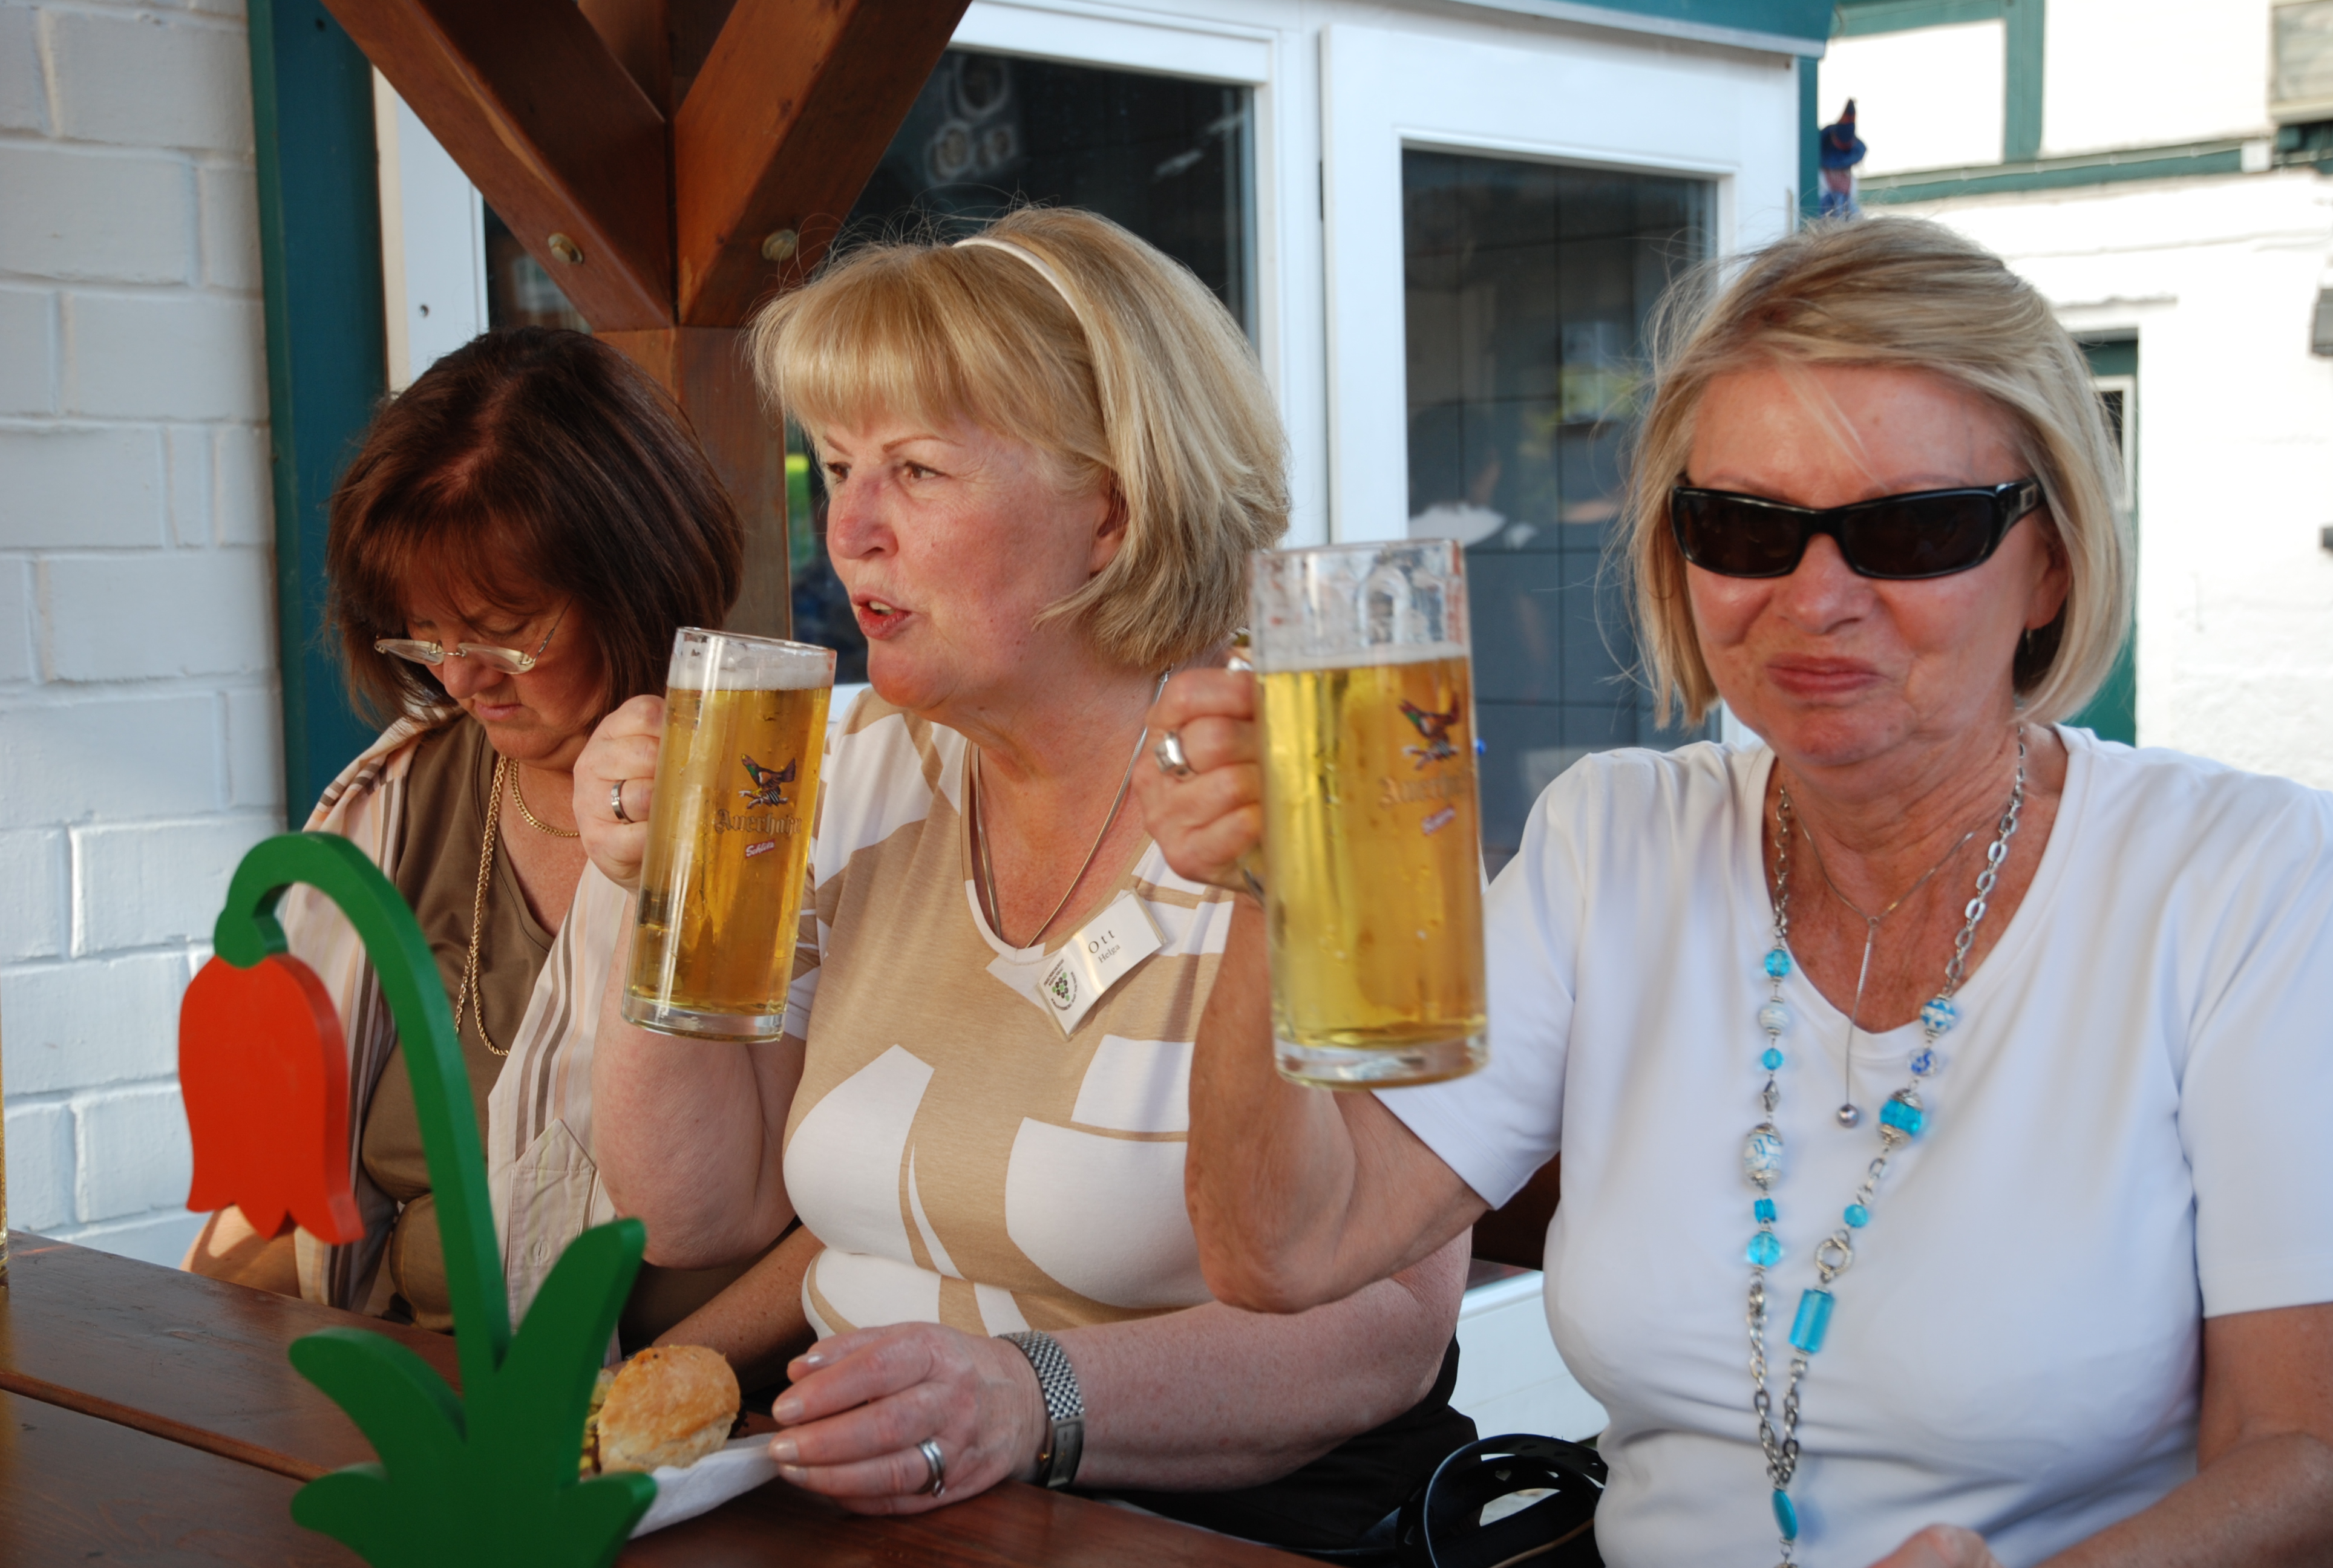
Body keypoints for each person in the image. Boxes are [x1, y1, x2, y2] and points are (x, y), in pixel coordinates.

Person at [1139, 215, 2333, 1568]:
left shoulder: (2246, 874)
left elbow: (2308, 1456)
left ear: (2051, 559)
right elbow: (1284, 1254)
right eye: (1744, 528)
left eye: (1913, 528)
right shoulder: (1617, 839)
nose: (1815, 599)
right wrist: (1270, 887)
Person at [574, 208, 1475, 1549]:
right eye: (835, 467)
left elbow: (1389, 1331)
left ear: (1110, 513)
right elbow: (693, 1208)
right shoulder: (840, 772)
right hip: (857, 1505)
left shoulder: (1316, 789)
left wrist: (1029, 1396)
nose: (849, 529)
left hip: (1205, 1527)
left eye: (917, 472)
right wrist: (654, 885)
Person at [184, 328, 767, 1342]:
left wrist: (641, 1393)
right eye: (424, 634)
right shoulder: (397, 802)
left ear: (638, 575)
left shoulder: (765, 798)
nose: (460, 677)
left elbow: (850, 1219)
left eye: (503, 631)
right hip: (391, 1367)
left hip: (655, 1396)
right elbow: (277, 1189)